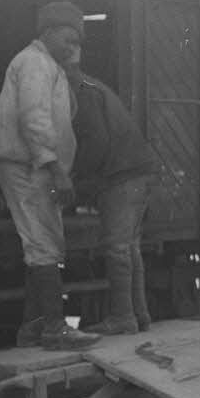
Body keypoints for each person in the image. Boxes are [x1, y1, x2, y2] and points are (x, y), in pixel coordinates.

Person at [0, 0, 101, 350]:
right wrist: (55, 167)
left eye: (77, 43)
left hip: (34, 165)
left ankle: (34, 328)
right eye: (67, 40)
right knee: (43, 243)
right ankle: (54, 328)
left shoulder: (51, 67)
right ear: (47, 33)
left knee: (46, 243)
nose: (73, 48)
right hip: (26, 165)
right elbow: (34, 118)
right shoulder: (34, 63)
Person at [65, 54, 159, 334]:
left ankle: (122, 317)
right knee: (130, 247)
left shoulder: (80, 91)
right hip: (138, 171)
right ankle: (138, 314)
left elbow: (96, 141)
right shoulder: (93, 85)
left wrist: (75, 178)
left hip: (122, 175)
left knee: (117, 247)